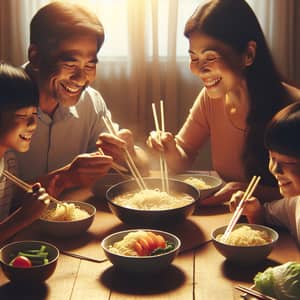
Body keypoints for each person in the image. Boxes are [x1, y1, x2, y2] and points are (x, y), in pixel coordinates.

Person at [147, 0, 300, 205]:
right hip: (231, 221)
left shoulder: (293, 109)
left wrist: (248, 191)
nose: (200, 70)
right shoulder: (211, 99)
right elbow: (182, 159)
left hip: (284, 229)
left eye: (210, 57)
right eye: (193, 58)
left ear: (248, 54)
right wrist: (169, 148)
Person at [16, 2, 149, 197]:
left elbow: (142, 169)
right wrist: (64, 178)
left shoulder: (90, 102)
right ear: (35, 56)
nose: (80, 79)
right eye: (70, 63)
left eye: (89, 66)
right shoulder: (6, 101)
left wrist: (129, 154)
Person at [229, 102, 300, 246]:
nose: (275, 169)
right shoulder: (294, 203)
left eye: (288, 162)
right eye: (272, 158)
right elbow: (266, 215)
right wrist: (254, 210)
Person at [0, 62, 50, 244]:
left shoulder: (9, 161)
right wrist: (23, 217)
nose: (32, 124)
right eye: (22, 115)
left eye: (35, 114)